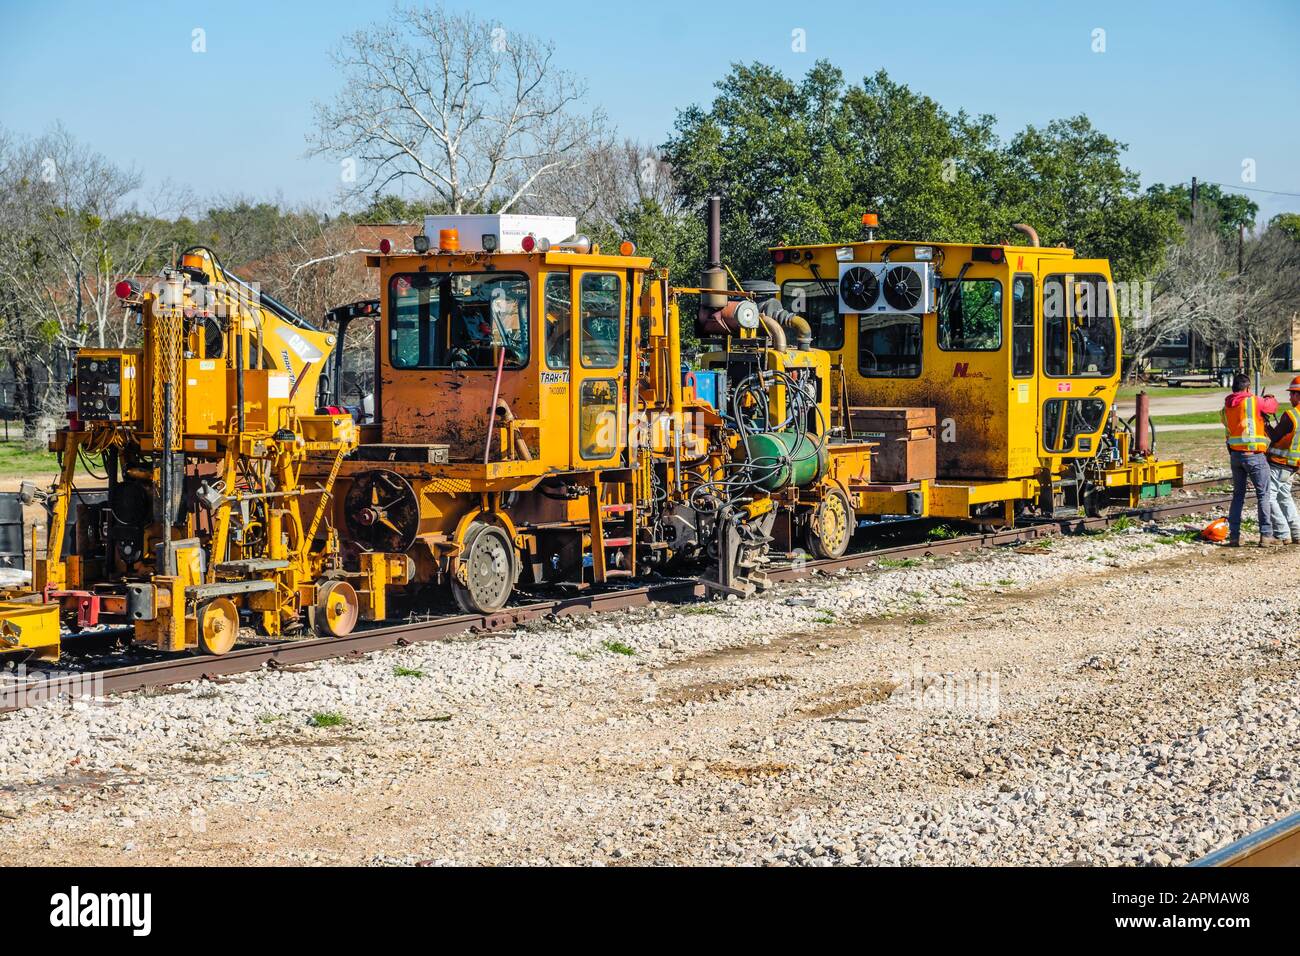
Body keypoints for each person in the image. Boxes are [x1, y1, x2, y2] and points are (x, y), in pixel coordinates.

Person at [1221, 373, 1279, 547]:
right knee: (1263, 495)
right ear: (1247, 388)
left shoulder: (1226, 405)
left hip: (1235, 456)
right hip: (1254, 455)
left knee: (1238, 496)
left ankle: (1234, 536)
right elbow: (1272, 407)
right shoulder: (1254, 400)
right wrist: (1269, 398)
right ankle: (1266, 535)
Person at [1265, 376, 1300, 544]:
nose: (1290, 398)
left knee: (1268, 496)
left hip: (1280, 463)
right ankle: (1297, 533)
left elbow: (1275, 435)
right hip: (1293, 465)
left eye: (1292, 394)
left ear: (1298, 395)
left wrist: (1265, 423)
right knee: (1284, 497)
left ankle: (1282, 532)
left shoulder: (1291, 415)